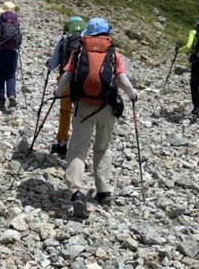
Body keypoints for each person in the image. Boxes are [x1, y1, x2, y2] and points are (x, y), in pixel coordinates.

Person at [53, 17, 138, 218]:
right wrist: (133, 95)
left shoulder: (78, 52)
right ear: (106, 34)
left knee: (77, 150)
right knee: (102, 147)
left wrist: (57, 92)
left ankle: (76, 193)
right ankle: (103, 192)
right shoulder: (113, 54)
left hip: (83, 106)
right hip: (107, 107)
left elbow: (66, 77)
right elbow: (123, 81)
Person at [45, 16, 88, 156]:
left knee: (65, 111)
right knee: (81, 113)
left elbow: (53, 63)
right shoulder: (89, 41)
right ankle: (79, 145)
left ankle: (62, 142)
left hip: (65, 79)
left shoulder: (64, 39)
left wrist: (49, 64)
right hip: (85, 82)